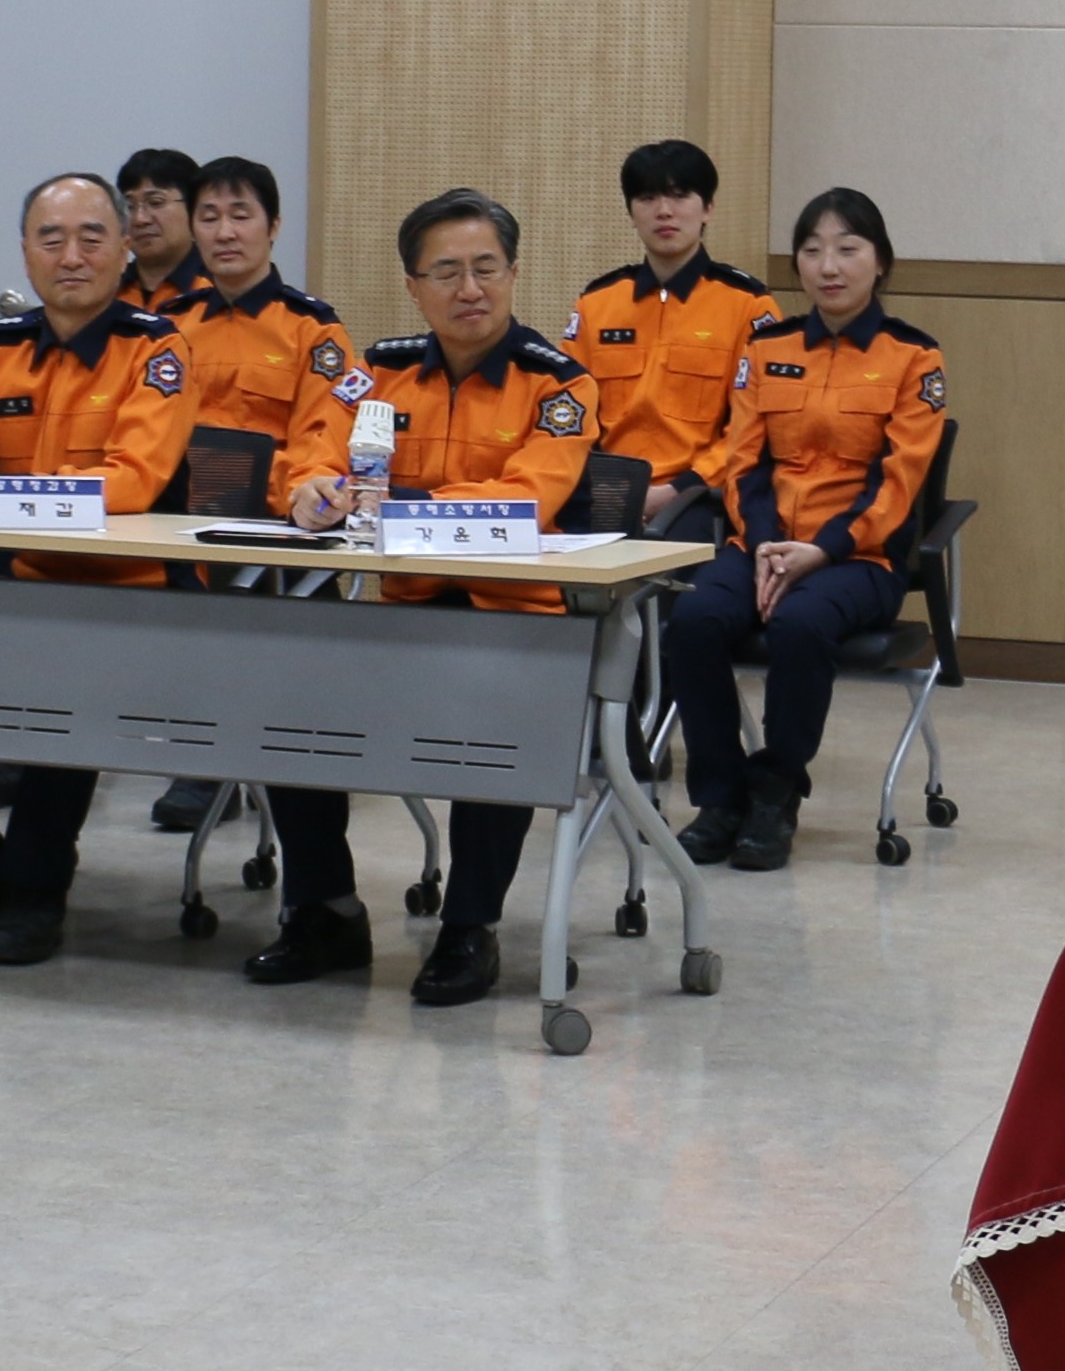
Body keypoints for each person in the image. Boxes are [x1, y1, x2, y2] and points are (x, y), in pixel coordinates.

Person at [249, 187, 598, 1005]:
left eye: (486, 269)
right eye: (446, 272)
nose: (469, 289)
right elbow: (314, 449)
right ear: (414, 287)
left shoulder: (561, 385)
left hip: (516, 623)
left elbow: (524, 499)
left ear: (513, 275)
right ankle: (326, 909)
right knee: (292, 703)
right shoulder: (380, 373)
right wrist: (308, 491)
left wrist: (397, 506)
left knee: (490, 727)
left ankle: (469, 928)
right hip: (406, 615)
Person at [0, 171, 190, 965]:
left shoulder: (156, 348)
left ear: (125, 249)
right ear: (25, 253)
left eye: (92, 237)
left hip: (130, 598)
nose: (71, 255)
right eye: (51, 238)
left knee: (66, 676)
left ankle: (35, 884)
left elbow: (131, 484)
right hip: (20, 589)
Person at [659, 187, 947, 871]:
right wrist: (764, 543)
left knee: (800, 625)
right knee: (693, 621)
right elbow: (743, 461)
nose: (829, 266)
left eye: (848, 248)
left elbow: (899, 483)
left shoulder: (914, 357)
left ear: (880, 261)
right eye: (812, 250)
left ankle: (775, 792)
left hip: (859, 557)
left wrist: (822, 550)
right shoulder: (768, 348)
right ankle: (719, 798)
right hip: (761, 544)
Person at [141, 152, 350, 832]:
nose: (225, 232)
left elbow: (322, 437)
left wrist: (295, 491)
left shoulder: (313, 329)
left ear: (274, 226)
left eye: (241, 215)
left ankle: (231, 761)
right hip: (176, 524)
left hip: (271, 531)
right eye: (209, 217)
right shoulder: (166, 327)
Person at [563, 138, 765, 541]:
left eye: (679, 195)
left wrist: (679, 488)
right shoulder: (597, 302)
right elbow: (568, 410)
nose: (664, 211)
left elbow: (751, 427)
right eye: (648, 198)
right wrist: (602, 486)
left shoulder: (747, 304)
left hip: (699, 496)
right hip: (603, 490)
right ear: (631, 213)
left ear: (708, 208)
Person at [116, 144, 206, 317]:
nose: (140, 219)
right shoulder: (107, 289)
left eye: (155, 203)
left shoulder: (221, 288)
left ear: (194, 208)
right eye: (129, 206)